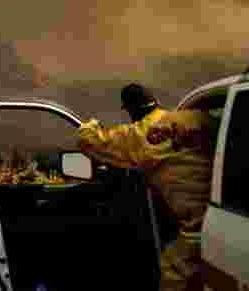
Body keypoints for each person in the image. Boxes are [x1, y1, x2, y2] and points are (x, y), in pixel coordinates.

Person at [77, 84, 217, 291]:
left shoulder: (137, 135)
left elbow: (88, 141)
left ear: (131, 110)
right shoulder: (194, 117)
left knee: (173, 269)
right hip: (229, 207)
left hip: (200, 225)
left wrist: (91, 124)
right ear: (155, 102)